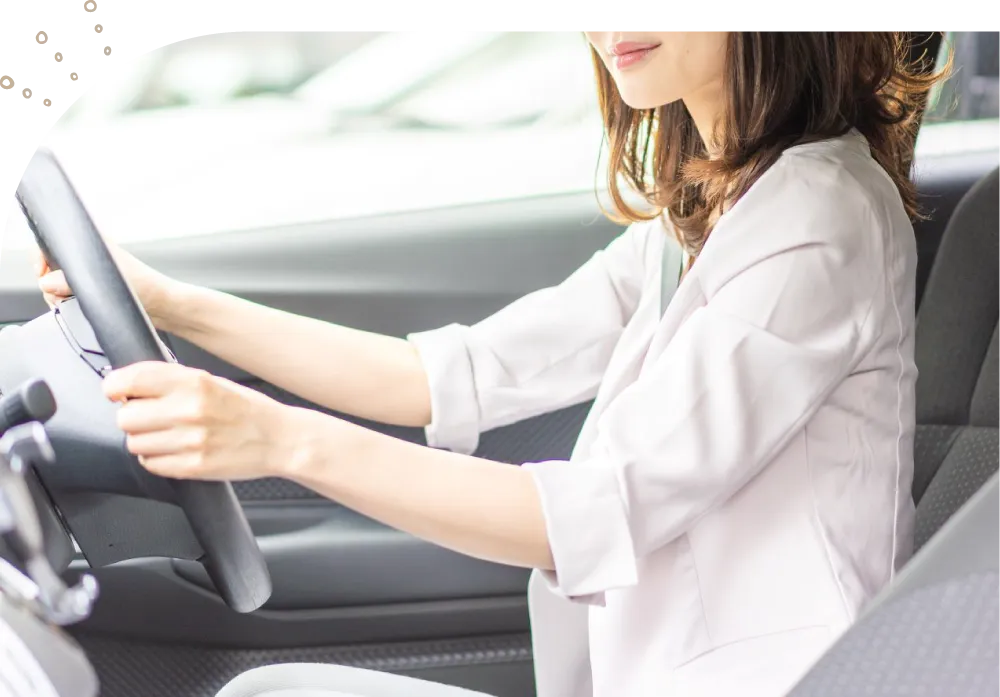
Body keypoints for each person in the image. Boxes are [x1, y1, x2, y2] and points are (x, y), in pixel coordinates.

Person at [36, 27, 947, 697]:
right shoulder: (708, 209)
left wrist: (279, 439)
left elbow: (593, 514)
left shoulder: (817, 217)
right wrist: (167, 301)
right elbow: (448, 375)